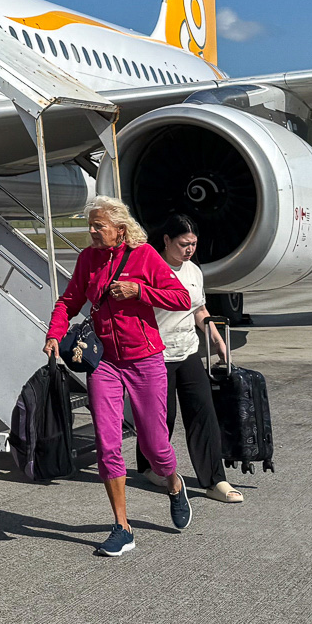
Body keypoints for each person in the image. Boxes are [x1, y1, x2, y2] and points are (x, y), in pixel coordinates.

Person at [42, 196, 193, 556]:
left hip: (145, 360)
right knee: (108, 444)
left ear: (119, 229)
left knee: (155, 447)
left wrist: (139, 290)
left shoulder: (144, 256)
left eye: (99, 226)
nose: (92, 231)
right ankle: (122, 527)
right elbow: (68, 302)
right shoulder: (88, 259)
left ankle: (174, 484)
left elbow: (182, 298)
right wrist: (54, 333)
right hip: (104, 363)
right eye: (90, 225)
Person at [139, 214, 242, 503]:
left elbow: (199, 310)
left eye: (193, 244)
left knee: (203, 413)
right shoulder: (148, 267)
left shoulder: (193, 271)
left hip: (187, 351)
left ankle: (215, 480)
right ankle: (150, 466)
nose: (189, 249)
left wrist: (218, 341)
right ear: (166, 240)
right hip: (156, 354)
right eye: (184, 243)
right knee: (163, 416)